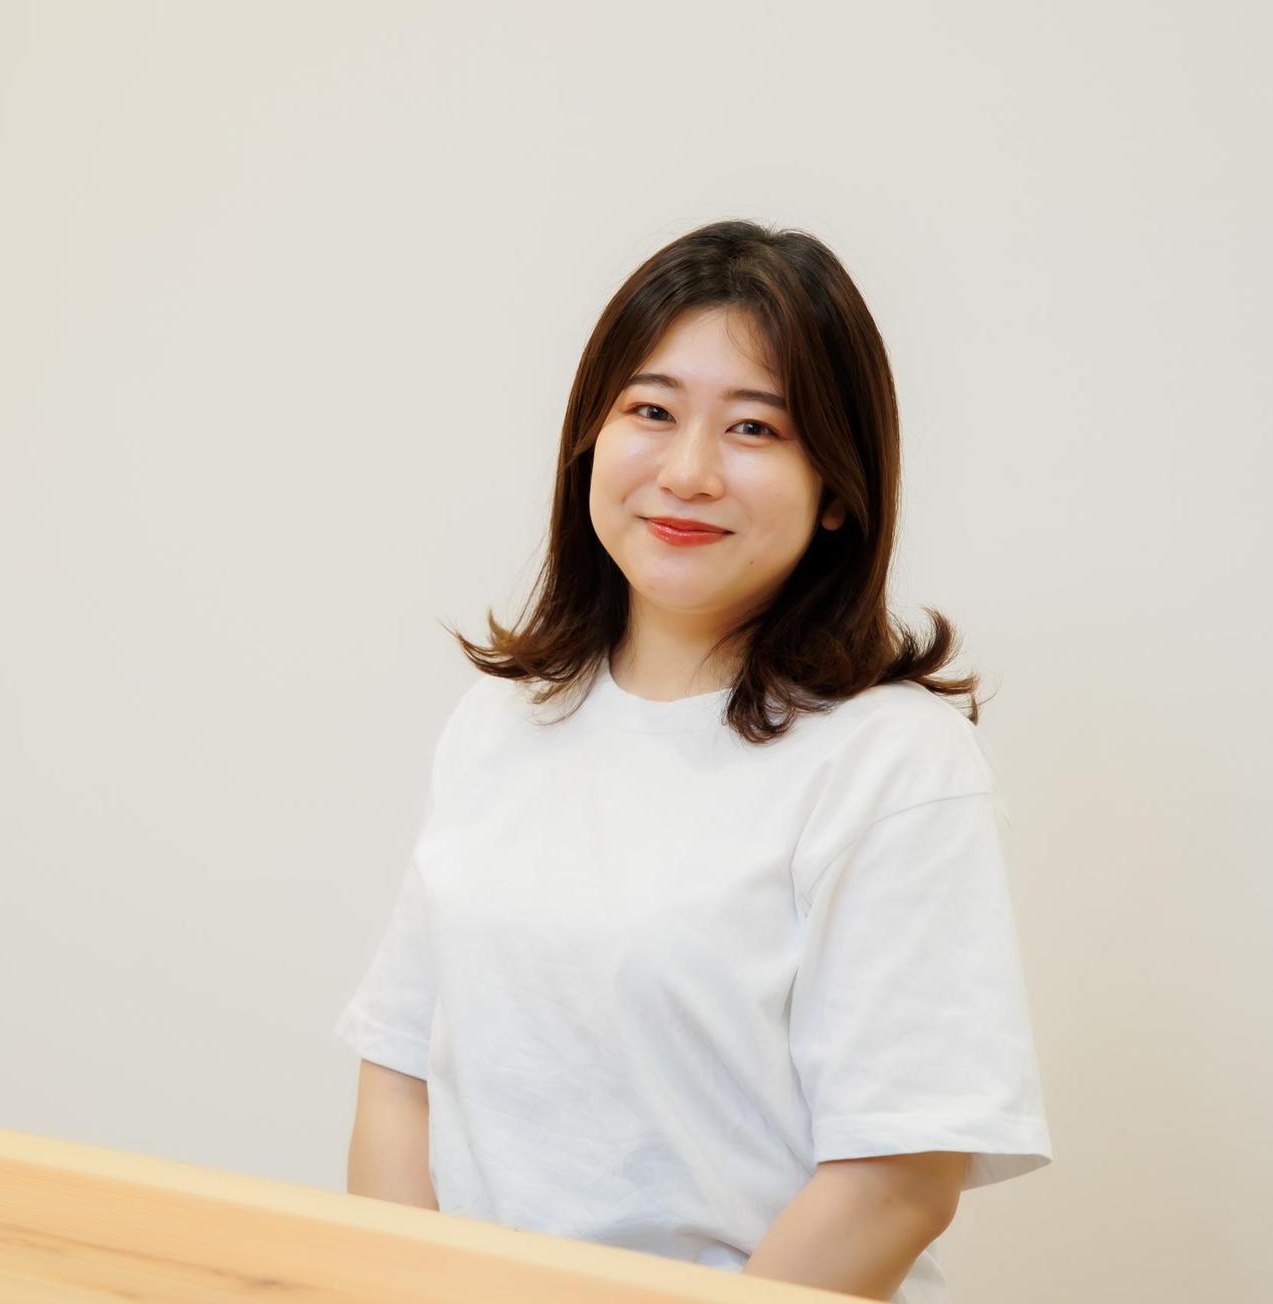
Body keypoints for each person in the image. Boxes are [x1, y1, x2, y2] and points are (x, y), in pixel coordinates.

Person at [332, 218, 1052, 1304]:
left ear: (838, 487)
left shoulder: (893, 760)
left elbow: (897, 1179)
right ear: (590, 437)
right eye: (651, 411)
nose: (687, 471)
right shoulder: (501, 720)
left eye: (754, 428)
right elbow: (399, 1071)